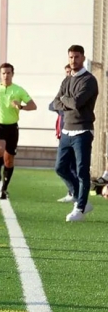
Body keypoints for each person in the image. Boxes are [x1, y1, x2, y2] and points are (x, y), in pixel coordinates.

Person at [52, 45, 99, 222]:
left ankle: (79, 209)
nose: (73, 60)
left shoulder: (89, 80)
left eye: (76, 57)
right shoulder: (67, 80)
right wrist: (65, 100)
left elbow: (77, 102)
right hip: (66, 131)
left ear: (83, 58)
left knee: (82, 171)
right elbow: (55, 102)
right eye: (71, 57)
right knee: (60, 168)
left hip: (82, 131)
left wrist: (64, 99)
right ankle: (81, 198)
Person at [0, 63, 37, 200]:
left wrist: (21, 106)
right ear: (0, 74)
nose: (5, 75)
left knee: (9, 160)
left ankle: (4, 188)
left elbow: (33, 105)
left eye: (8, 73)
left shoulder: (18, 90)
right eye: (3, 73)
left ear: (12, 74)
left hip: (12, 127)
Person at [49, 64, 77, 203]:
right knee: (62, 166)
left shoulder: (77, 88)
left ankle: (76, 194)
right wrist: (62, 105)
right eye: (66, 72)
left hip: (74, 132)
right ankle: (72, 192)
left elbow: (75, 105)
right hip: (63, 134)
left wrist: (63, 103)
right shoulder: (63, 87)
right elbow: (52, 104)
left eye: (70, 71)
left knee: (72, 165)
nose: (68, 74)